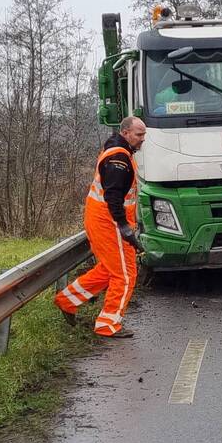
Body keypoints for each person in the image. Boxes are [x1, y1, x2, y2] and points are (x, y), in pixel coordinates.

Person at [55, 117, 147, 338]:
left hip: (103, 219)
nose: (143, 139)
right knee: (124, 275)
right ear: (125, 133)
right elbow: (113, 197)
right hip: (110, 221)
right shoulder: (119, 158)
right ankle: (108, 325)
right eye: (139, 134)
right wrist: (124, 227)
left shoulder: (118, 150)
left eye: (144, 135)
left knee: (111, 269)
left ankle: (68, 300)